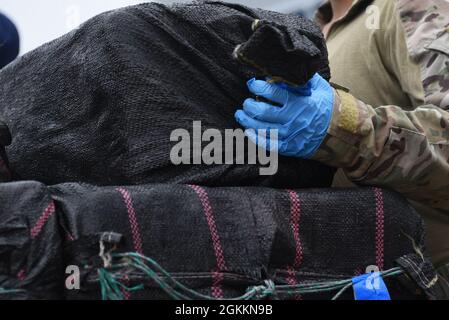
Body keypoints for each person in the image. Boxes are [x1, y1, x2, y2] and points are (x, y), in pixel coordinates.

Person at [235, 0, 449, 297]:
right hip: (353, 284)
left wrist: (343, 125)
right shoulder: (316, 31)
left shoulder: (410, 8)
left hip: (427, 282)